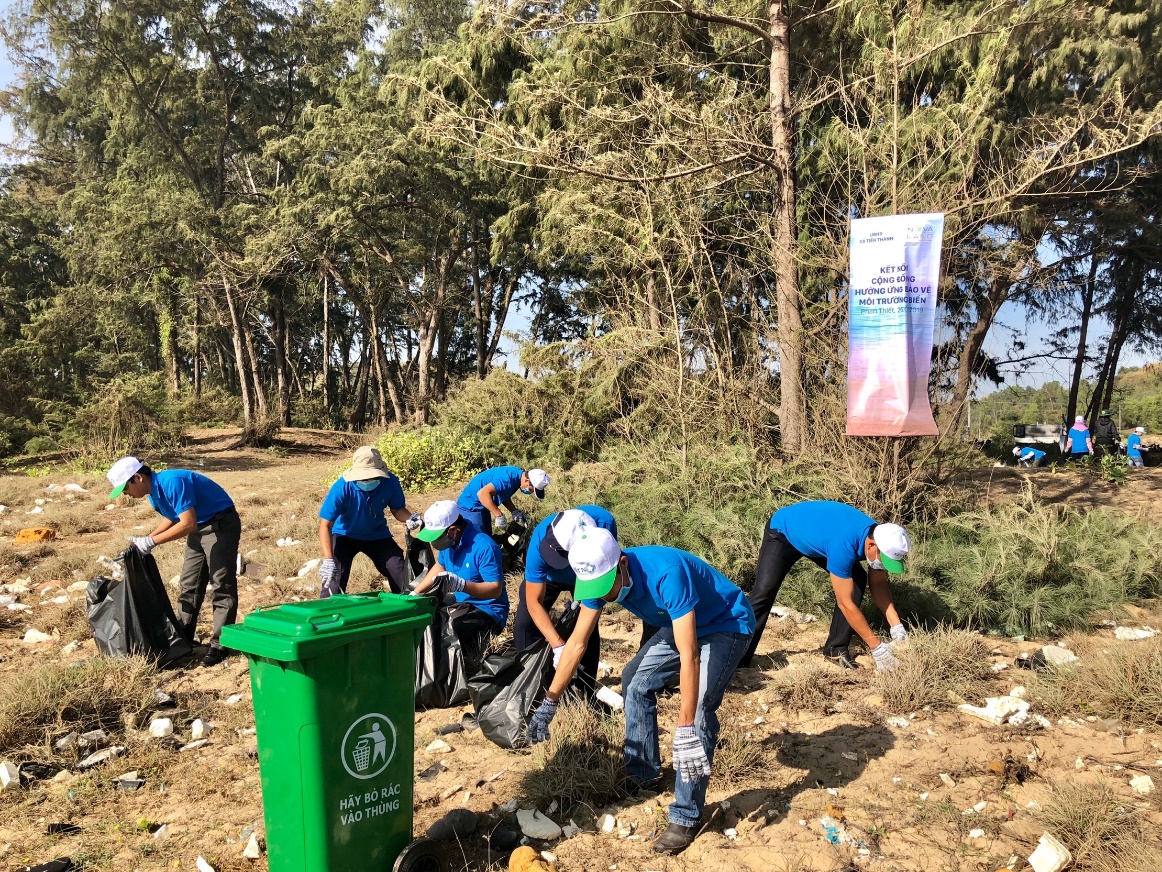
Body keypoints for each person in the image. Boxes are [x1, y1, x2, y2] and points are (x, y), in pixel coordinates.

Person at [526, 528, 755, 856]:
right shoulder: (596, 573)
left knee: (701, 708)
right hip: (682, 623)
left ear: (622, 564)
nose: (603, 596)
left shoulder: (666, 574)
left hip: (725, 624)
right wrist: (550, 700)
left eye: (607, 587)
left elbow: (688, 655)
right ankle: (643, 773)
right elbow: (576, 644)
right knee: (634, 680)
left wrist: (685, 727)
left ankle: (686, 815)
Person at [739, 500, 910, 671]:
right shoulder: (844, 544)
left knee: (857, 580)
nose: (884, 565)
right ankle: (738, 655)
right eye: (885, 560)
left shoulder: (878, 539)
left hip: (820, 537)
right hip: (783, 531)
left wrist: (897, 626)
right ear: (871, 545)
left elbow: (878, 584)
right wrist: (877, 647)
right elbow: (845, 603)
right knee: (764, 592)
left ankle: (835, 650)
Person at [106, 456, 239, 667]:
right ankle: (183, 638)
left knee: (221, 582)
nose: (126, 494)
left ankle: (220, 645)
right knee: (189, 583)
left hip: (220, 523)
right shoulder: (153, 495)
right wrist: (148, 538)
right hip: (198, 529)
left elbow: (187, 523)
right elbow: (173, 516)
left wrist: (152, 542)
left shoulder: (172, 481)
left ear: (138, 478)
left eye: (125, 489)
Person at [515, 506, 618, 697]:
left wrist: (585, 600)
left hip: (586, 575)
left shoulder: (604, 524)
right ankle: (529, 683)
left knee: (586, 626)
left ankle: (583, 690)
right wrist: (558, 645)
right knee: (524, 622)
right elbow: (533, 601)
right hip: (550, 578)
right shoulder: (541, 539)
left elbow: (605, 566)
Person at [411, 500, 509, 670]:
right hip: (459, 605)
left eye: (436, 538)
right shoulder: (449, 543)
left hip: (487, 612)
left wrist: (462, 585)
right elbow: (440, 566)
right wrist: (416, 592)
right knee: (425, 628)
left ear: (453, 530)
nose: (434, 544)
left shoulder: (485, 547)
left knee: (446, 639)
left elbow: (495, 589)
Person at [317, 446, 423, 598]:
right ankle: (327, 615)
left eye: (372, 477)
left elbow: (398, 509)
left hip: (377, 534)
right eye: (363, 478)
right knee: (333, 579)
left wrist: (410, 518)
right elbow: (325, 525)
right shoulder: (341, 487)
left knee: (398, 569)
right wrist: (328, 559)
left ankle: (408, 609)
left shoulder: (390, 482)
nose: (367, 481)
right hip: (344, 534)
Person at [455, 465, 550, 535]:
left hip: (483, 506)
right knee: (478, 541)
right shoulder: (507, 479)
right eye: (530, 489)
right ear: (527, 481)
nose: (529, 492)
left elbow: (502, 493)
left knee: (487, 537)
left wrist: (514, 511)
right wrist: (499, 515)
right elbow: (482, 494)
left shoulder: (518, 476)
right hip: (470, 506)